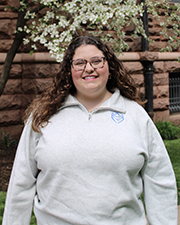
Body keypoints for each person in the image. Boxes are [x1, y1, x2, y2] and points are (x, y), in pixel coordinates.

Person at [2, 35, 177, 225]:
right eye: (79, 63)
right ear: (69, 70)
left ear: (109, 67)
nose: (89, 68)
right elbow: (21, 181)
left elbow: (159, 179)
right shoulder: (43, 116)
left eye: (96, 61)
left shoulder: (135, 115)